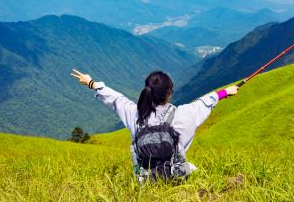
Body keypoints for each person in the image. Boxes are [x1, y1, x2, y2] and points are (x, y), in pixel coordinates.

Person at [70, 69, 239, 182]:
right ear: (169, 92)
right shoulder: (184, 114)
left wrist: (92, 83)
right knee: (196, 171)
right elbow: (205, 102)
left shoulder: (136, 115)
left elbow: (116, 99)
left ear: (147, 91)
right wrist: (226, 92)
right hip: (176, 177)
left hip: (143, 181)